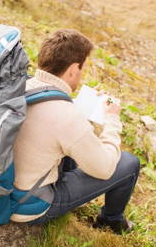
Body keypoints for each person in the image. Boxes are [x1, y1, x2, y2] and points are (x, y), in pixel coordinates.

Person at [11, 29, 140, 234]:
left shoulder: (20, 85)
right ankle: (111, 221)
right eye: (83, 69)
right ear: (72, 70)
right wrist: (112, 120)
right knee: (128, 163)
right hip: (29, 205)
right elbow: (105, 168)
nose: (82, 74)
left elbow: (48, 119)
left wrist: (82, 107)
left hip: (0, 191)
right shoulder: (67, 116)